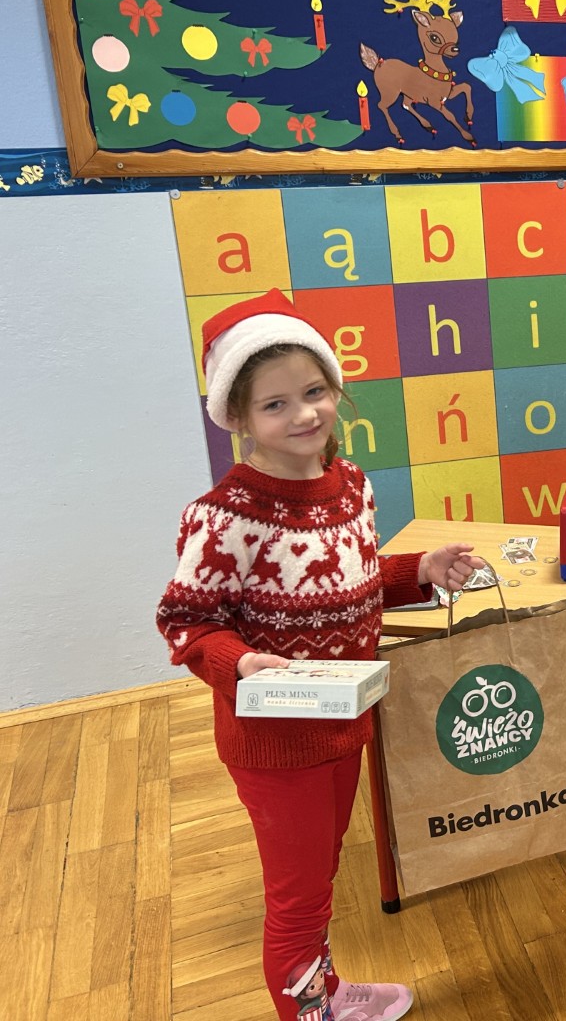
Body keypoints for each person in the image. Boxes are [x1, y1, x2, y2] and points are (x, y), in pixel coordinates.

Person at [156, 290, 482, 1021]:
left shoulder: (352, 486)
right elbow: (187, 622)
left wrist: (420, 570)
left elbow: (353, 583)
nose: (304, 414)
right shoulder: (224, 517)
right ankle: (308, 1010)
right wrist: (240, 664)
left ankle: (324, 994)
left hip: (344, 724)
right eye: (275, 405)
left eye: (314, 392)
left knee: (322, 872)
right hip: (275, 743)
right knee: (298, 897)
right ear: (238, 418)